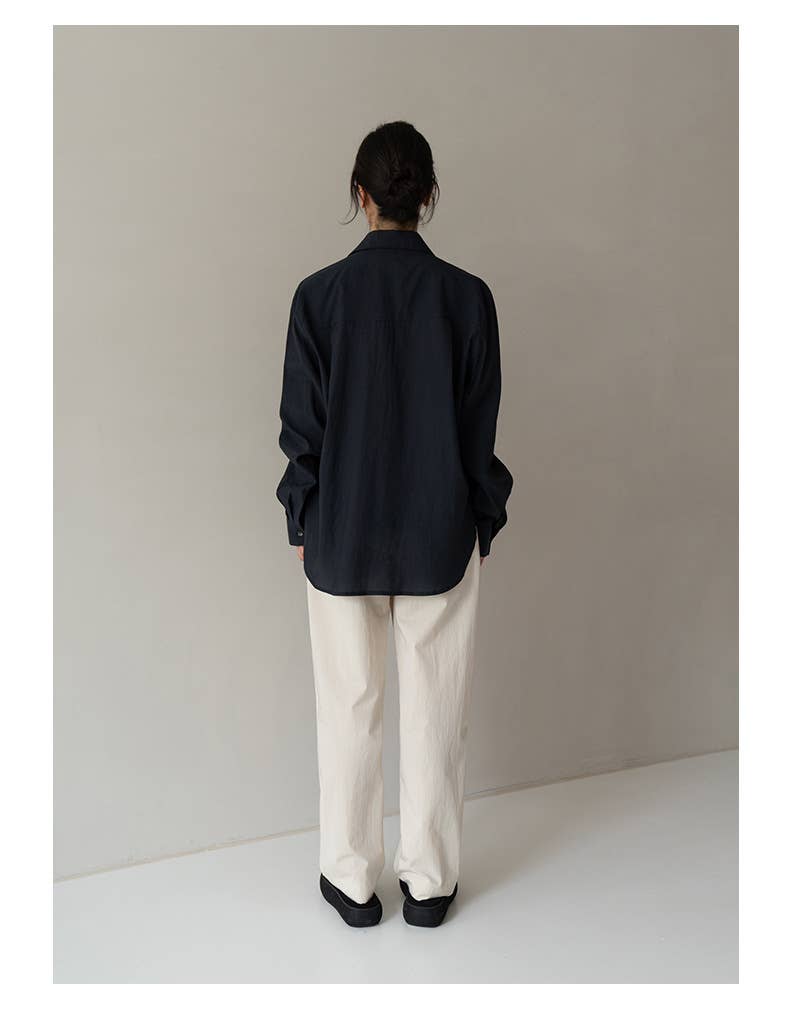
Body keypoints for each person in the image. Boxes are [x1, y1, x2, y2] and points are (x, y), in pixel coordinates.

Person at [276, 121, 513, 928]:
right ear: (428, 195)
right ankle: (430, 883)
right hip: (440, 530)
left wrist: (302, 517)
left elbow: (301, 430)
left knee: (349, 707)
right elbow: (479, 426)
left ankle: (350, 881)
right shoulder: (467, 298)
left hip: (339, 532)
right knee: (436, 708)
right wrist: (481, 518)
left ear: (361, 194)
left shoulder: (318, 297)